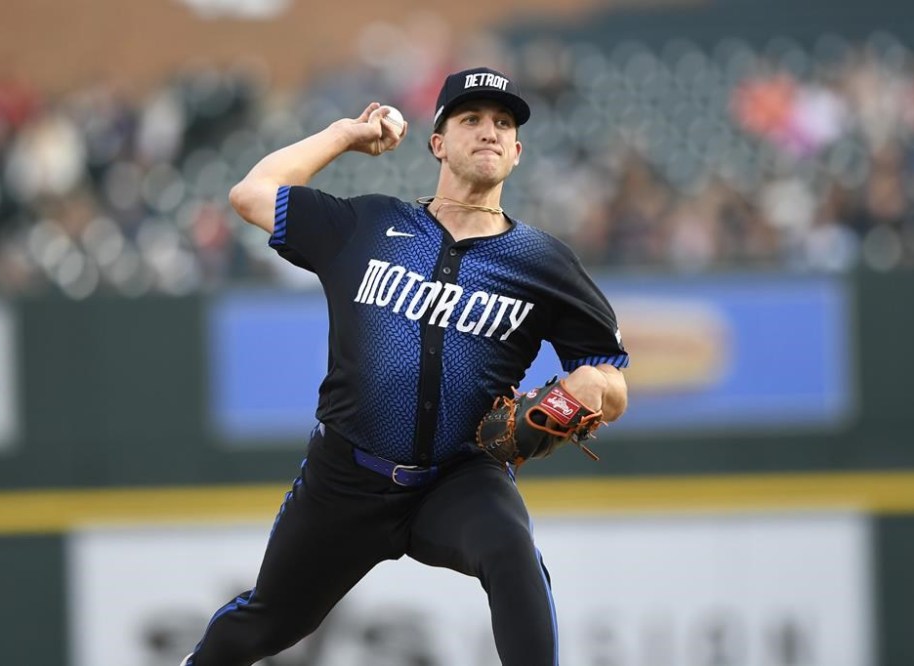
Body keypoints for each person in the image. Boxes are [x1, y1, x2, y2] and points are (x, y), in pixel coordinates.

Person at [182, 66, 630, 666]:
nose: (489, 132)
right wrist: (344, 134)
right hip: (346, 477)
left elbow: (610, 379)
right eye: (470, 119)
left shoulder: (542, 262)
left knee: (512, 554)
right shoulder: (365, 225)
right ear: (438, 142)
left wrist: (586, 390)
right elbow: (251, 194)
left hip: (460, 476)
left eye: (503, 124)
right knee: (269, 622)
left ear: (518, 153)